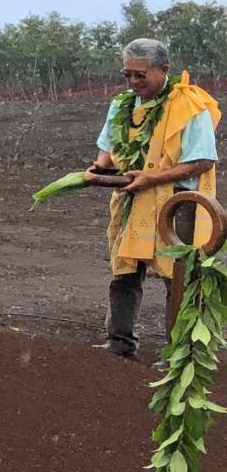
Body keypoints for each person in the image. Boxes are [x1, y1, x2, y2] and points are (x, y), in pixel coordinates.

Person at [90, 38, 218, 359]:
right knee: (125, 270)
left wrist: (151, 178)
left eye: (140, 76)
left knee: (176, 277)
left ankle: (178, 353)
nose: (132, 83)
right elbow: (107, 149)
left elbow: (202, 160)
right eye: (127, 75)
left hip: (177, 204)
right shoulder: (122, 105)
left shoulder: (189, 106)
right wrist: (96, 169)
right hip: (133, 199)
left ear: (163, 70)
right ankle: (120, 342)